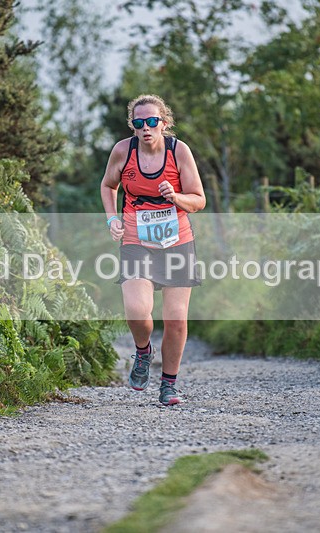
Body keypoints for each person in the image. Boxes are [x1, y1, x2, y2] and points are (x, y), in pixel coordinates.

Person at [99, 94, 206, 406]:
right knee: (137, 311)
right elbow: (108, 186)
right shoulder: (123, 151)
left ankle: (168, 385)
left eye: (152, 121)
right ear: (133, 126)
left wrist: (176, 197)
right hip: (135, 240)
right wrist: (111, 219)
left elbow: (198, 200)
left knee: (175, 318)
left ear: (164, 123)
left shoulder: (179, 151)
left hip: (177, 242)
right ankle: (143, 351)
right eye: (139, 122)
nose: (146, 128)